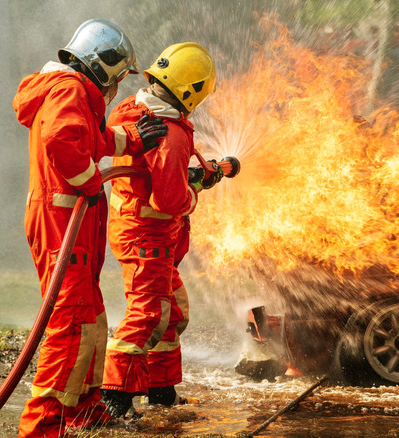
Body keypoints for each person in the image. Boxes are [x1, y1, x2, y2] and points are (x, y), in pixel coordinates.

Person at [12, 19, 167, 437]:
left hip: (68, 225)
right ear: (102, 67)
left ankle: (82, 407)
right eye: (116, 77)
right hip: (62, 223)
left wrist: (135, 138)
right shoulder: (70, 89)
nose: (116, 87)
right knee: (73, 322)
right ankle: (42, 423)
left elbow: (93, 139)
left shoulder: (71, 91)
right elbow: (63, 140)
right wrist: (86, 181)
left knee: (92, 318)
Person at [100, 42, 222, 418]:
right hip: (148, 236)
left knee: (172, 311)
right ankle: (115, 396)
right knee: (149, 312)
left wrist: (188, 175)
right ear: (191, 90)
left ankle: (161, 389)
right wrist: (194, 190)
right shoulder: (171, 132)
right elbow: (170, 200)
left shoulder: (133, 110)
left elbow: (151, 171)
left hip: (134, 228)